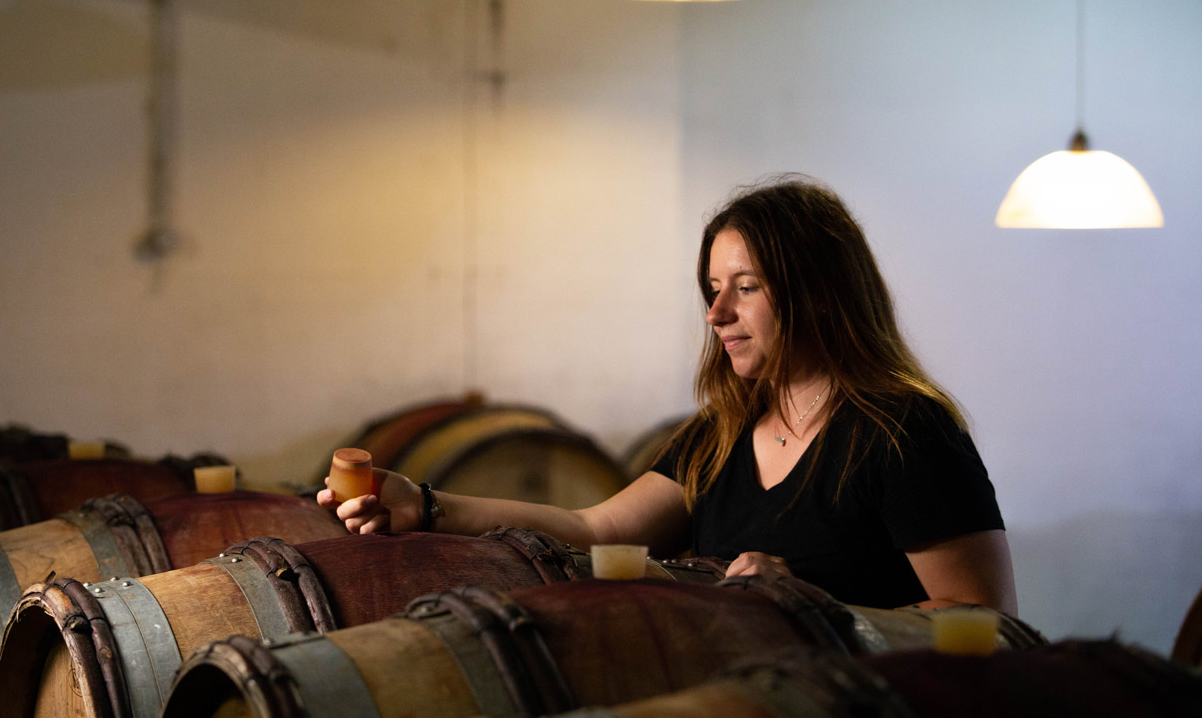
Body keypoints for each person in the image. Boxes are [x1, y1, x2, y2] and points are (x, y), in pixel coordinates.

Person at [319, 175, 1017, 613]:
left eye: (745, 288)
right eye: (713, 291)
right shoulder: (723, 433)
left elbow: (984, 617)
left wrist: (820, 606)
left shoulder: (903, 432)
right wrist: (427, 503)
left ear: (820, 294)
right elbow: (600, 531)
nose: (717, 316)